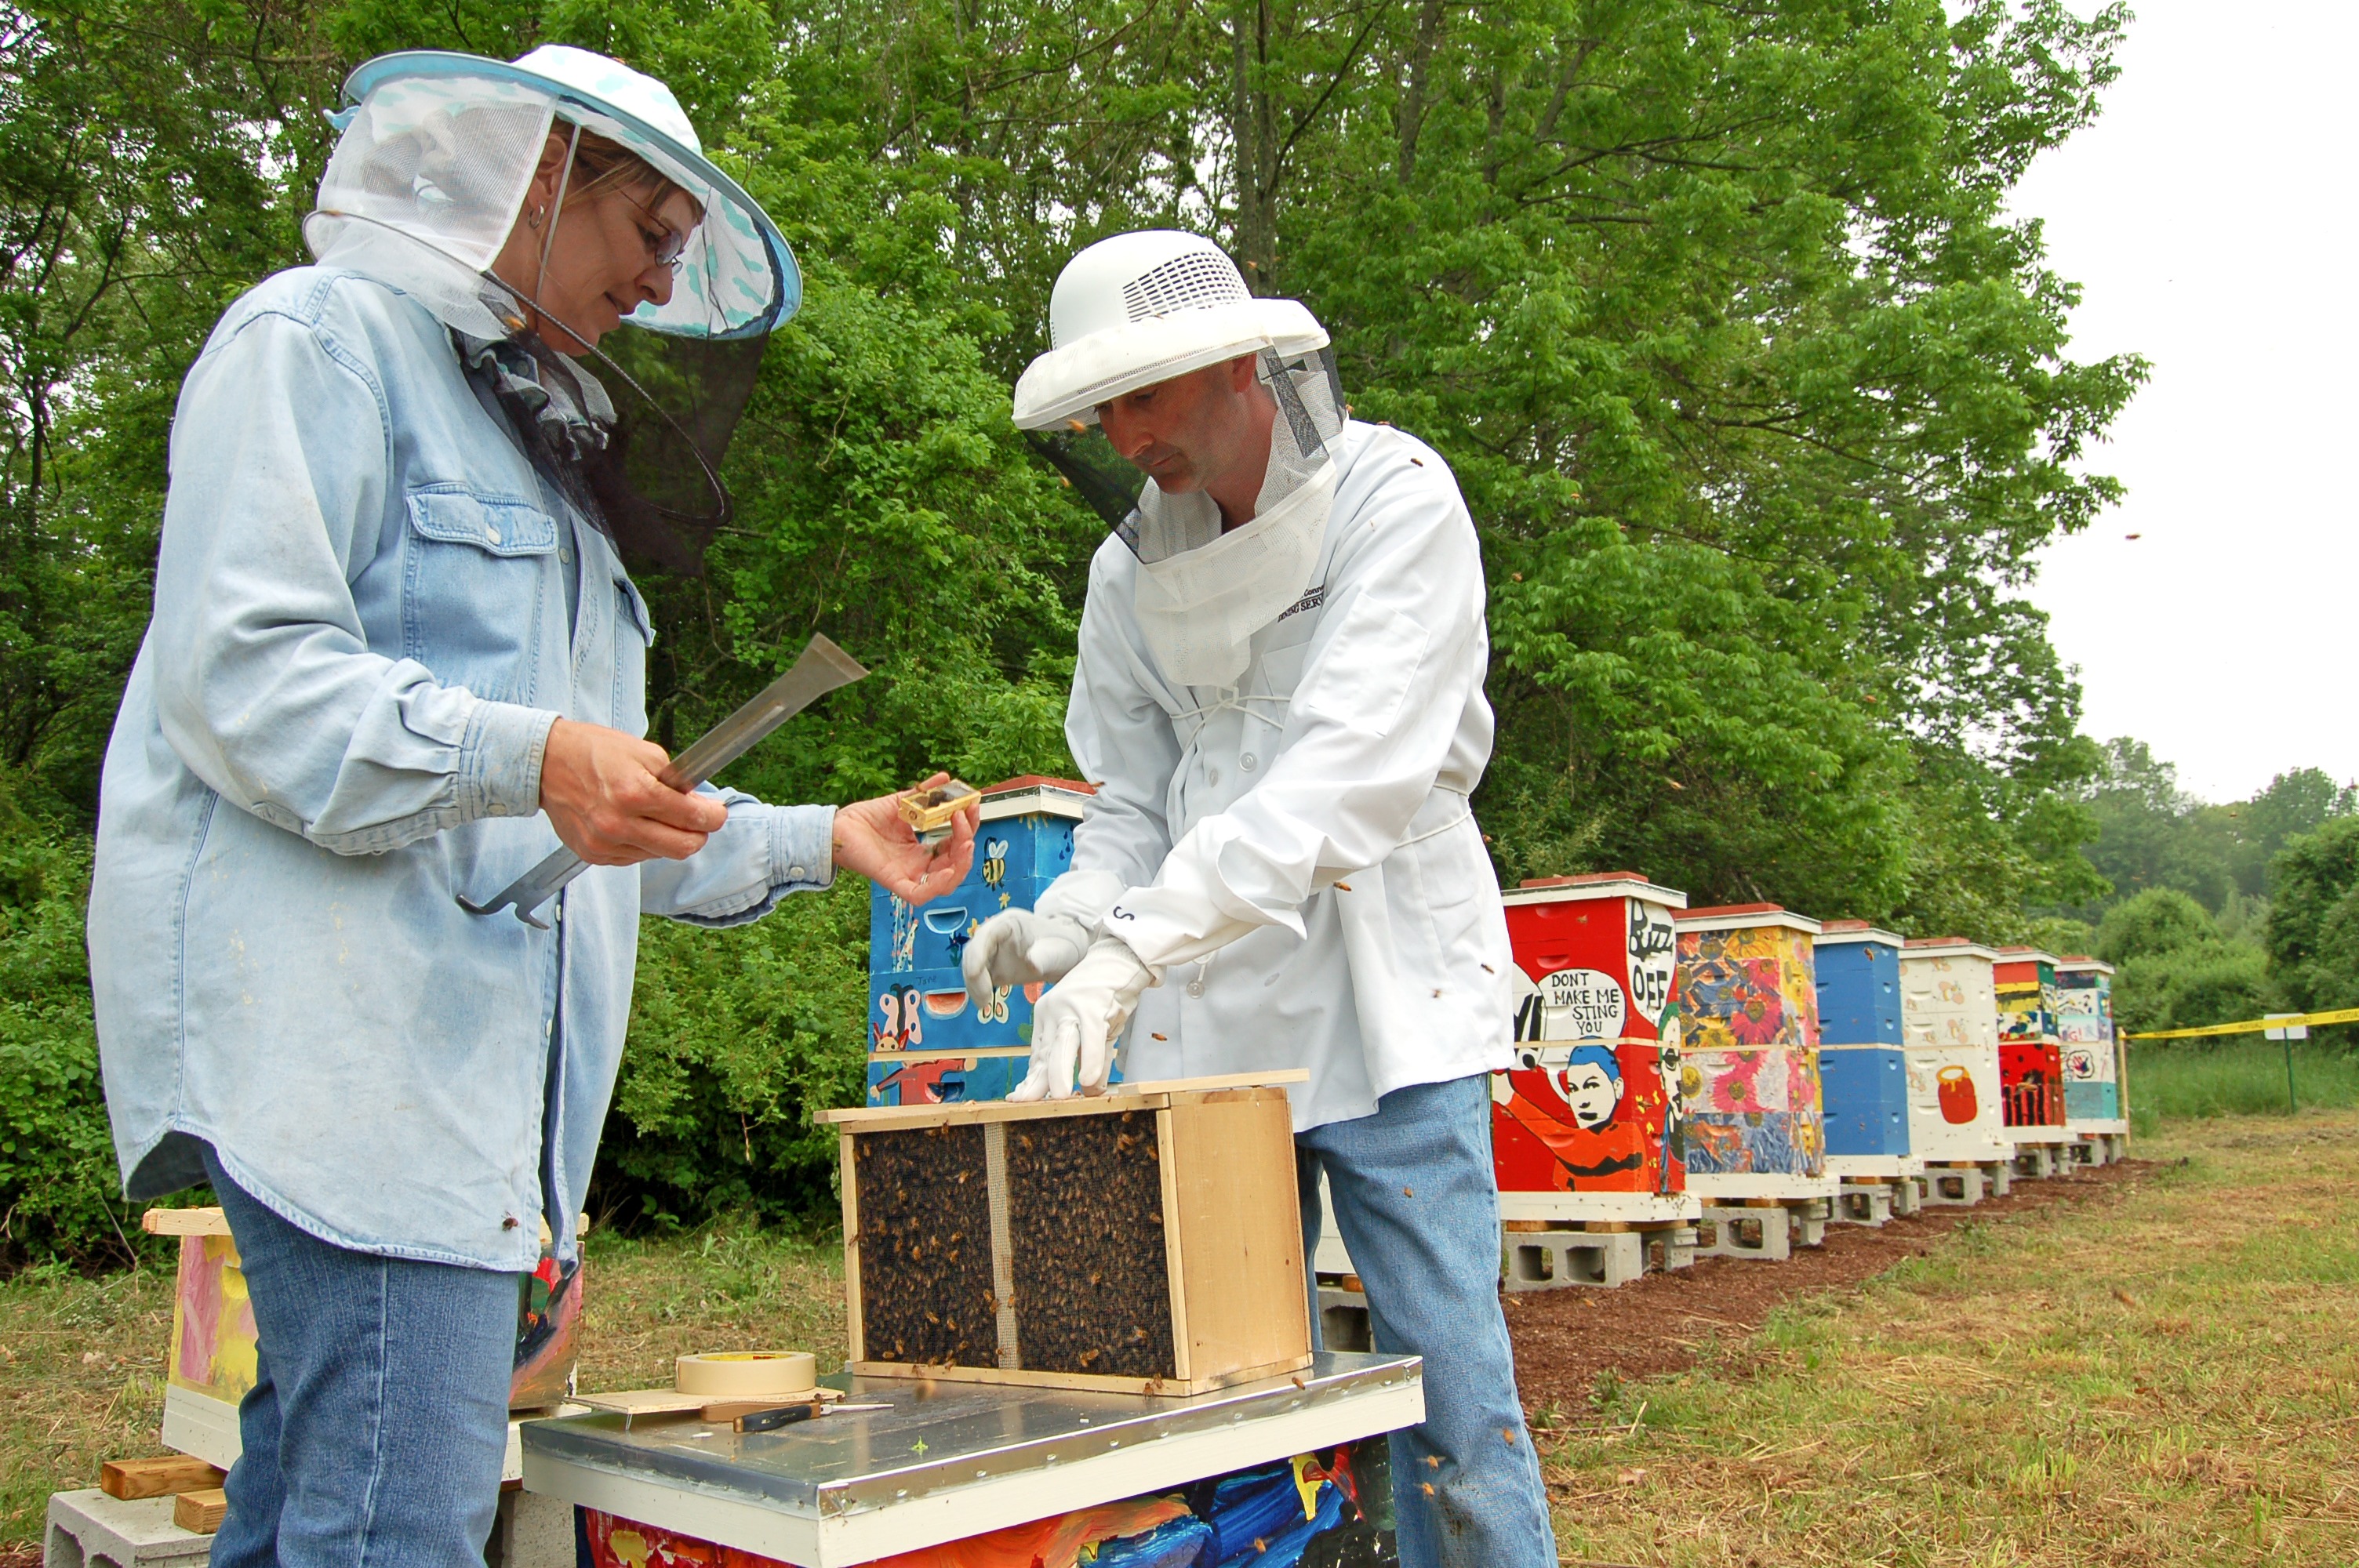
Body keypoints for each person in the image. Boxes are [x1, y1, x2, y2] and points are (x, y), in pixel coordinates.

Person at [87, 45, 973, 1567]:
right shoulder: (316, 346)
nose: (655, 278)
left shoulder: (538, 442)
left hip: (462, 1106)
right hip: (356, 1076)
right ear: (538, 169)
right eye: (647, 229)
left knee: (310, 1499)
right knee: (393, 1527)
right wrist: (534, 754)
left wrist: (823, 835)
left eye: (681, 252)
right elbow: (248, 687)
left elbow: (595, 826)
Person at [962, 230, 1556, 1567]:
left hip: (1388, 992)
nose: (1123, 435)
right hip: (1209, 1025)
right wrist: (1070, 928)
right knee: (1229, 1411)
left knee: (1453, 1406)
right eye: (1103, 408)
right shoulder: (1127, 572)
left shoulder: (1393, 499)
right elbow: (1131, 794)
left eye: (1144, 397)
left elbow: (1345, 780)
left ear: (1238, 366)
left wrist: (1129, 946)